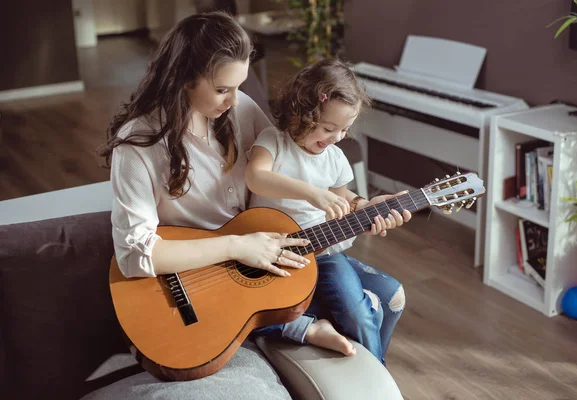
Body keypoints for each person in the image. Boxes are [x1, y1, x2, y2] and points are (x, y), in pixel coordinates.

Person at [99, 11, 407, 361]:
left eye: (239, 86)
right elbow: (134, 256)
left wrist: (361, 204)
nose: (233, 100)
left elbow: (298, 168)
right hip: (200, 277)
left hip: (268, 254)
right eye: (221, 89)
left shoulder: (239, 109)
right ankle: (297, 326)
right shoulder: (138, 146)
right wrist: (237, 246)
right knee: (366, 305)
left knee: (393, 297)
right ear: (184, 79)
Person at [245, 58, 411, 363]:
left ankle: (375, 376)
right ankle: (307, 327)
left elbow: (342, 207)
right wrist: (312, 194)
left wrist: (366, 210)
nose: (336, 138)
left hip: (325, 253)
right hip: (275, 253)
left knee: (356, 312)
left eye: (345, 129)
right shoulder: (274, 142)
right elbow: (256, 177)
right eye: (328, 127)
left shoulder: (335, 159)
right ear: (301, 113)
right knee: (251, 309)